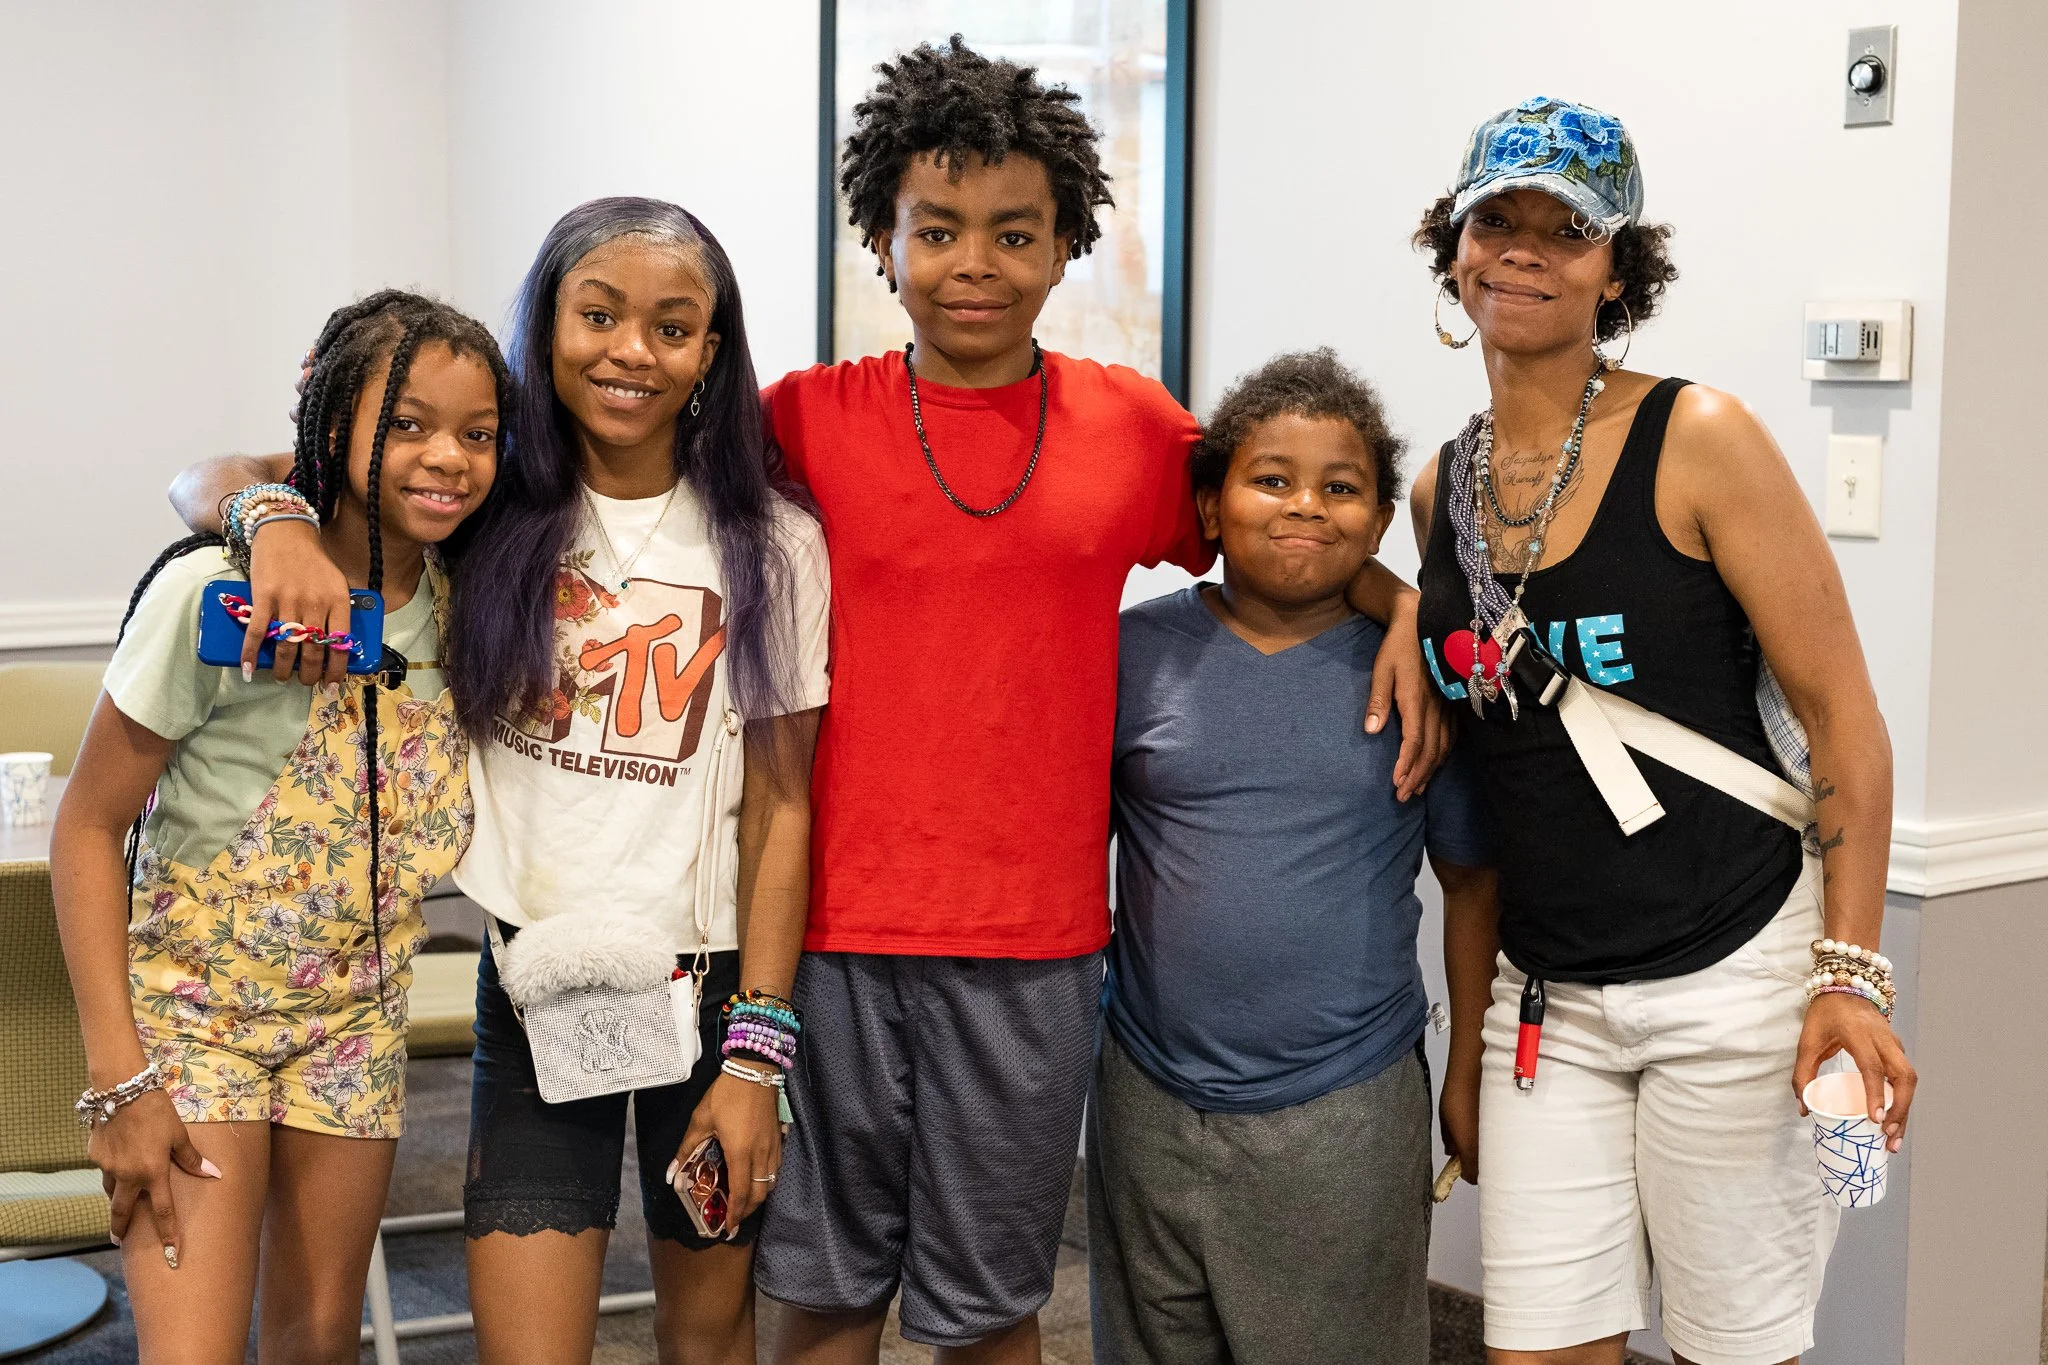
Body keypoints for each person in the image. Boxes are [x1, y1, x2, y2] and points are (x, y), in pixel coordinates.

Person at [750, 40, 1446, 1365]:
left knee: (988, 1304)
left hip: (1036, 946)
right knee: (824, 1288)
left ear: (1066, 243)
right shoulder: (797, 421)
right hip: (834, 927)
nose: (975, 264)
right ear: (881, 241)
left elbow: (1282, 523)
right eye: (937, 230)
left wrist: (1402, 604)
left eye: (1015, 233)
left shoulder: (1126, 428)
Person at [166, 199, 831, 1365]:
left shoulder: (770, 542)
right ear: (547, 325)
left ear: (709, 354)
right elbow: (205, 478)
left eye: (672, 327)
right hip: (534, 982)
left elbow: (781, 808)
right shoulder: (482, 504)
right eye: (598, 315)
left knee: (707, 1334)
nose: (631, 350)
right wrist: (273, 525)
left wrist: (755, 1057)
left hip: (715, 996)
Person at [1410, 98, 1917, 1365]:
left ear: (1616, 269)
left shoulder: (1699, 439)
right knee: (1531, 1348)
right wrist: (1384, 612)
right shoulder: (1438, 489)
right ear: (1452, 248)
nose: (1523, 251)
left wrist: (1848, 978)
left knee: (1731, 1351)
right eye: (1495, 219)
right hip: (1545, 1002)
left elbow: (1841, 721)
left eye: (1565, 230)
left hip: (1733, 979)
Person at [53, 291, 508, 1362]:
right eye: (407, 423)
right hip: (193, 1024)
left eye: (479, 434)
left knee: (320, 1341)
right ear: (332, 419)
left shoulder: (469, 603)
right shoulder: (212, 593)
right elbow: (87, 829)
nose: (448, 457)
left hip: (357, 1023)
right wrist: (121, 1081)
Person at [1087, 349, 1498, 1365]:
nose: (1305, 505)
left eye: (1340, 488)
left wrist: (1468, 1068)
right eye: (1271, 478)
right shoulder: (1133, 654)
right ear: (1211, 506)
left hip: (1342, 1106)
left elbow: (1471, 880)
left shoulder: (1418, 677)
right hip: (1146, 1090)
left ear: (1378, 522)